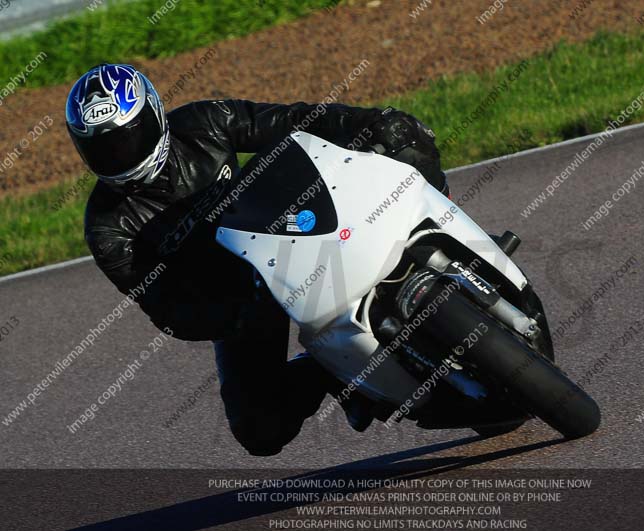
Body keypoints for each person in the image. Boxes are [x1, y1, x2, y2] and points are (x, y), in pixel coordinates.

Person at [66, 63, 449, 456]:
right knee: (260, 430)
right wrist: (229, 315)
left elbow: (293, 120)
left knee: (401, 142)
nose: (120, 156)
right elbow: (165, 306)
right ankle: (337, 370)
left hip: (294, 230)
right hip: (238, 297)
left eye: (127, 139)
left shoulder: (205, 122)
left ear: (153, 114)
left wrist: (368, 122)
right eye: (104, 149)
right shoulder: (108, 226)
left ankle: (449, 245)